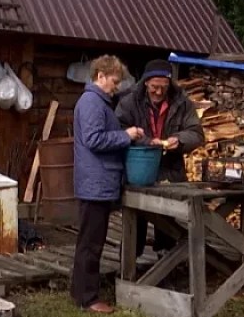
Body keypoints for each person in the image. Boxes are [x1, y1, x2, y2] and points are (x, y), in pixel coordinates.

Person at [70, 55, 145, 314]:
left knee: (89, 241)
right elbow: (94, 139)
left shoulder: (97, 101)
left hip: (97, 181)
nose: (117, 86)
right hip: (95, 183)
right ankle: (88, 298)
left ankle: (80, 292)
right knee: (91, 244)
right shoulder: (92, 102)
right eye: (114, 81)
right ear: (100, 76)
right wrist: (125, 135)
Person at [115, 59, 205, 258]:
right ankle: (126, 267)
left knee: (167, 225)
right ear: (146, 82)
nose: (158, 92)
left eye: (163, 87)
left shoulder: (182, 102)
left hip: (170, 171)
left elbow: (196, 133)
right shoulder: (129, 102)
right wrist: (147, 142)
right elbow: (118, 131)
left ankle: (166, 266)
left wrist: (179, 140)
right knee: (135, 224)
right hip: (138, 171)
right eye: (154, 87)